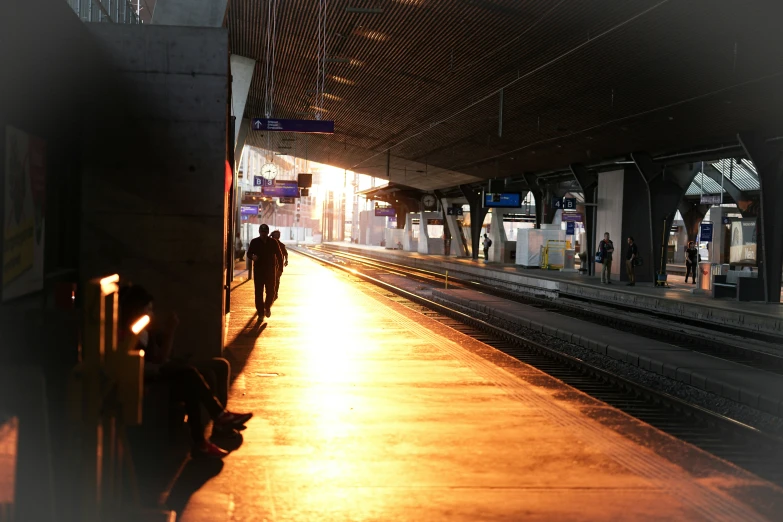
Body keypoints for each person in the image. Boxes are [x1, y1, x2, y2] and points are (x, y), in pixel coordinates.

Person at [118, 284, 252, 458]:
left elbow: (161, 357)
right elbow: (157, 361)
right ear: (135, 311)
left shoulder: (144, 331)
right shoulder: (130, 334)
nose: (151, 314)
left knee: (204, 371)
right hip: (148, 379)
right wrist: (170, 332)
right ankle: (215, 424)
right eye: (148, 309)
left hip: (159, 372)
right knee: (191, 377)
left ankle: (213, 428)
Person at [247, 224, 284, 318]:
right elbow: (249, 253)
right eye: (262, 232)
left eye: (265, 232)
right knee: (258, 292)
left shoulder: (273, 242)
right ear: (259, 232)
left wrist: (280, 269)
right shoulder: (254, 242)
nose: (263, 234)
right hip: (258, 271)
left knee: (271, 291)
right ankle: (260, 312)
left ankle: (267, 307)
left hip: (270, 271)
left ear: (268, 233)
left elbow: (279, 256)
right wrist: (252, 256)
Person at [270, 230, 289, 301]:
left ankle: (275, 292)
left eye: (278, 235)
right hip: (270, 265)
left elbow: (285, 253)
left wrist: (286, 260)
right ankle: (272, 292)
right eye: (276, 235)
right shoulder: (269, 243)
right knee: (271, 280)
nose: (277, 236)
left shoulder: (281, 245)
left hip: (278, 266)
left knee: (276, 279)